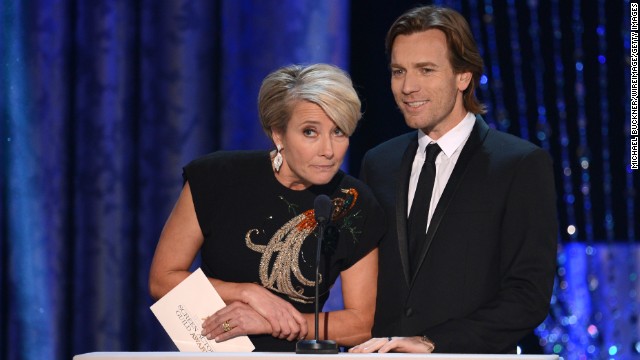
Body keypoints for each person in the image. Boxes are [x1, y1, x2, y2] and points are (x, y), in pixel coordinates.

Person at [349, 5, 558, 354]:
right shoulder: (378, 163)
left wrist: (433, 342)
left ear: (464, 76)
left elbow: (528, 295)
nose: (407, 86)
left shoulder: (519, 164)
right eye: (398, 71)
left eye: (425, 70)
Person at [149, 63, 385, 352]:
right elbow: (163, 280)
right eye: (310, 132)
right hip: (217, 350)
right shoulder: (217, 177)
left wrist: (273, 321)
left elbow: (362, 324)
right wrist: (248, 294)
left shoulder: (354, 202)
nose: (328, 150)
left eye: (339, 132)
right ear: (278, 134)